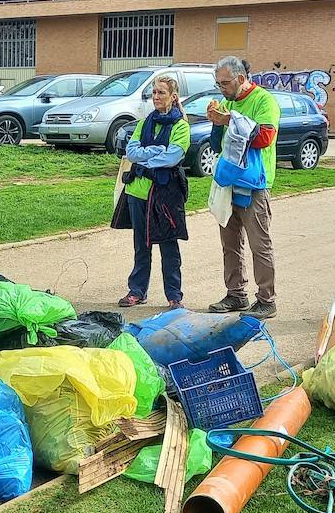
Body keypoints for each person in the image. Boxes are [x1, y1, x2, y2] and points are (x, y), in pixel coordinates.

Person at [206, 56, 279, 320]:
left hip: (255, 184)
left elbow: (265, 137)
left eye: (225, 83)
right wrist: (216, 122)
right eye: (218, 84)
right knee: (230, 243)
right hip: (230, 183)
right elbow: (217, 146)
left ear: (240, 79)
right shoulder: (227, 103)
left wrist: (228, 121)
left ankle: (266, 299)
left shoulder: (263, 100)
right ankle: (236, 294)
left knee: (260, 245)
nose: (221, 89)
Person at [115, 73, 190, 309]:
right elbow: (132, 152)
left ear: (173, 96)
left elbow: (173, 157)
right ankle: (137, 291)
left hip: (165, 195)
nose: (156, 97)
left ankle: (174, 296)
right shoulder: (144, 123)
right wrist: (156, 150)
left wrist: (149, 155)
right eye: (154, 93)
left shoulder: (181, 126)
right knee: (141, 245)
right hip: (138, 192)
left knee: (169, 246)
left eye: (161, 93)